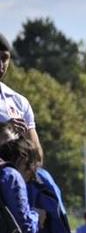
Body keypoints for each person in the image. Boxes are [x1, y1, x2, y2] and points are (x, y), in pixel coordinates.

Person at [0, 34, 43, 162]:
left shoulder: (18, 102)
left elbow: (37, 156)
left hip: (13, 177)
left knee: (43, 176)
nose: (0, 64)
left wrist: (23, 139)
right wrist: (4, 132)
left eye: (4, 58)